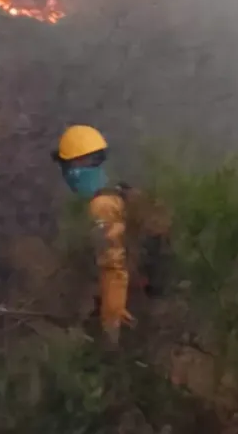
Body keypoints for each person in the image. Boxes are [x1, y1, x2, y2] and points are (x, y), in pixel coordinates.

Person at [52, 124, 170, 344]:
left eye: (66, 166)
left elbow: (113, 267)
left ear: (76, 167)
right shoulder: (123, 193)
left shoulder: (102, 206)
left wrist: (111, 325)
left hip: (148, 299)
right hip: (163, 290)